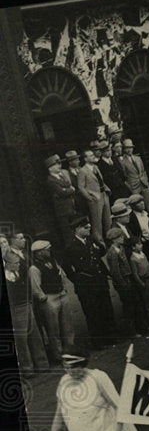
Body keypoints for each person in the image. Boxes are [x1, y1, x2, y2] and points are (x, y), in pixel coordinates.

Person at [63, 215, 117, 348]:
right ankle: (98, 342)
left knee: (106, 309)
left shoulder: (91, 240)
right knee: (93, 313)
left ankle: (110, 337)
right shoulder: (71, 246)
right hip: (86, 285)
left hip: (99, 280)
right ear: (77, 229)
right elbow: (67, 267)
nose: (89, 228)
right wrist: (78, 280)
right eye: (85, 227)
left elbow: (100, 254)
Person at [3, 230, 49, 376]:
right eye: (0, 243)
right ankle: (27, 367)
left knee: (34, 333)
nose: (3, 245)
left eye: (4, 242)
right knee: (21, 338)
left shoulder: (13, 258)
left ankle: (42, 363)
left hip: (26, 301)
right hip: (14, 305)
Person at [28, 240, 76, 364]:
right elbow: (35, 286)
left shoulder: (53, 261)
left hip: (61, 294)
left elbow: (62, 275)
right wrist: (43, 298)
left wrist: (64, 288)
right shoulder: (34, 268)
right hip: (50, 298)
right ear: (38, 253)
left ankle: (70, 349)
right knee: (53, 328)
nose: (49, 251)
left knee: (67, 325)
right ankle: (58, 354)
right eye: (46, 249)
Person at [45, 153, 78, 243]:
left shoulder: (61, 176)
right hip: (63, 212)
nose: (59, 166)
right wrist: (69, 190)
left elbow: (68, 187)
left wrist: (67, 189)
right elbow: (62, 192)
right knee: (68, 235)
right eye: (56, 164)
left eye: (59, 164)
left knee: (75, 232)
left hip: (71, 208)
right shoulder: (50, 180)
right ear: (50, 168)